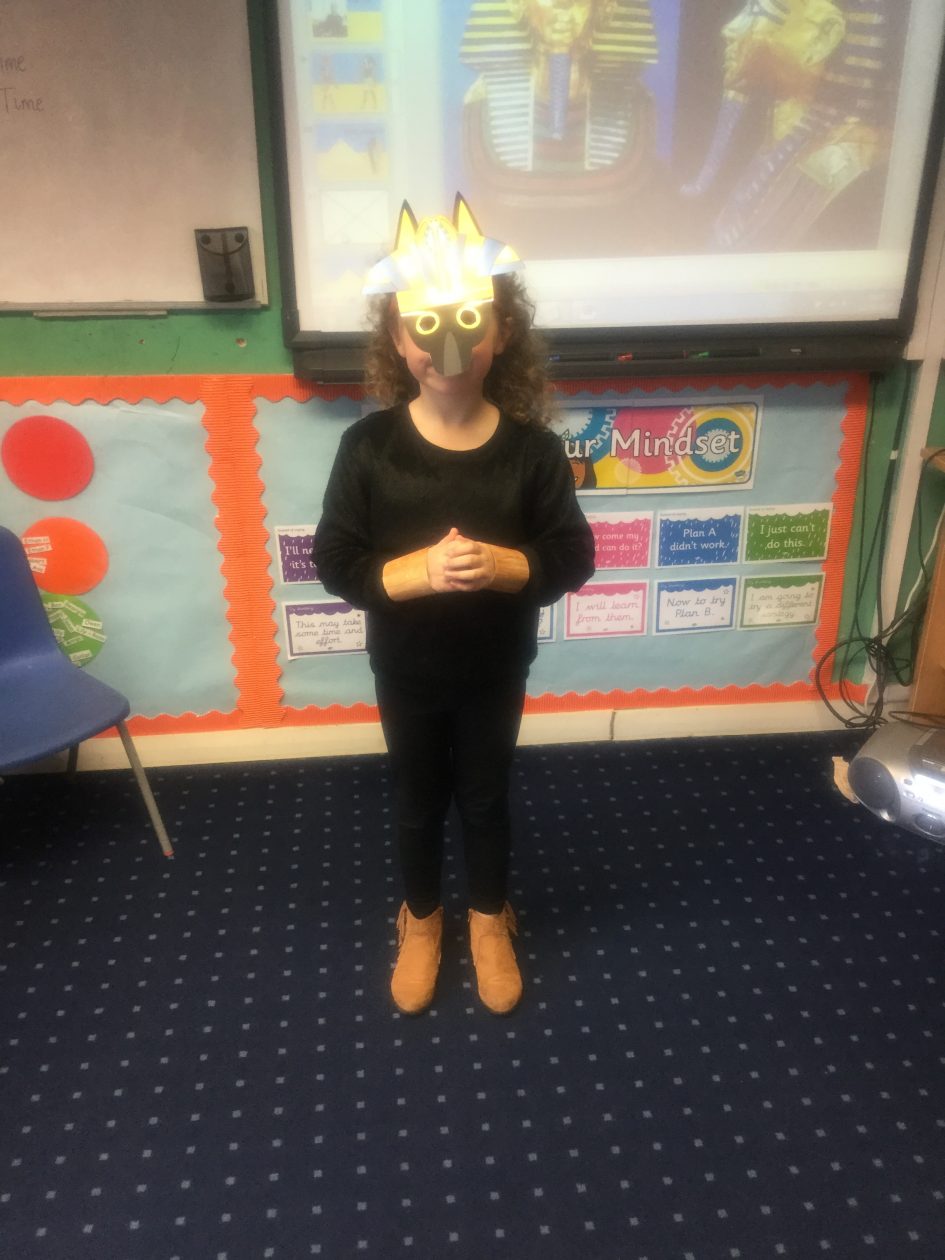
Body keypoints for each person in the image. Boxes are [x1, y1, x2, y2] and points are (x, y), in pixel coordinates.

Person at [312, 197, 595, 1015]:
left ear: (500, 332)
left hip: (495, 665)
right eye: (423, 326)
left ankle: (488, 919)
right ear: (397, 338)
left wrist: (506, 565)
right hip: (406, 667)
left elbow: (572, 554)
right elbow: (336, 559)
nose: (445, 345)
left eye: (467, 321)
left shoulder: (532, 451)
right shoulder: (367, 448)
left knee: (485, 796)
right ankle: (422, 919)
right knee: (415, 799)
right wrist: (414, 573)